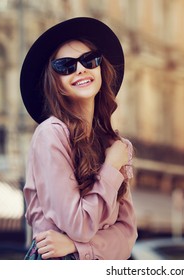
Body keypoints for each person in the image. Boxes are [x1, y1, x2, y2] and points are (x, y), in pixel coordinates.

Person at [19, 17, 137, 260]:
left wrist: (76, 246)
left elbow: (127, 234)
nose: (81, 69)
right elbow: (79, 226)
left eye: (89, 60)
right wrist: (112, 167)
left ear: (100, 68)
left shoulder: (114, 145)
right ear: (57, 83)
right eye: (65, 66)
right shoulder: (51, 133)